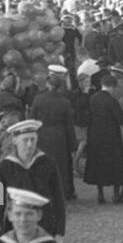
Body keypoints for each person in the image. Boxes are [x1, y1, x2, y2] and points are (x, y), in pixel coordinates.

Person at [0, 119, 66, 237]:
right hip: (15, 227)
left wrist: (60, 231)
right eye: (25, 140)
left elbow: (58, 199)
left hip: (44, 226)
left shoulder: (49, 164)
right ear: (15, 141)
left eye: (33, 140)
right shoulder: (3, 166)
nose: (29, 144)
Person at [82, 74, 123, 205]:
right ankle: (115, 195)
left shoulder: (93, 98)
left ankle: (100, 194)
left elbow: (87, 117)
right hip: (111, 137)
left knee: (98, 165)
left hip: (95, 136)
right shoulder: (112, 101)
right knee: (115, 166)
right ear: (112, 87)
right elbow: (120, 119)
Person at [32, 66, 77, 202]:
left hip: (42, 134)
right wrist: (72, 144)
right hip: (59, 136)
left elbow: (32, 119)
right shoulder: (64, 102)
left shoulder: (38, 99)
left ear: (48, 83)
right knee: (60, 166)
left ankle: (42, 190)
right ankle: (61, 191)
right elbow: (69, 125)